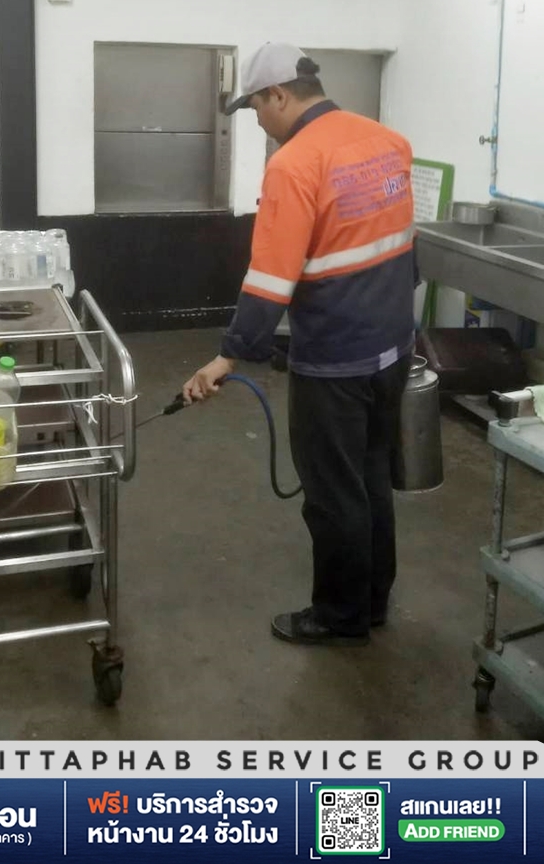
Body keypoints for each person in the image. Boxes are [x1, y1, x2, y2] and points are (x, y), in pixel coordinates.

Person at [182, 42, 416, 647]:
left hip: (336, 358)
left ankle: (340, 616)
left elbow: (269, 278)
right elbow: (399, 247)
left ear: (279, 94)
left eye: (256, 108)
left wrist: (228, 355)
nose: (258, 121)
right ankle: (373, 600)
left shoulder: (294, 164)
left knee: (333, 492)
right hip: (393, 346)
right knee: (371, 477)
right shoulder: (386, 142)